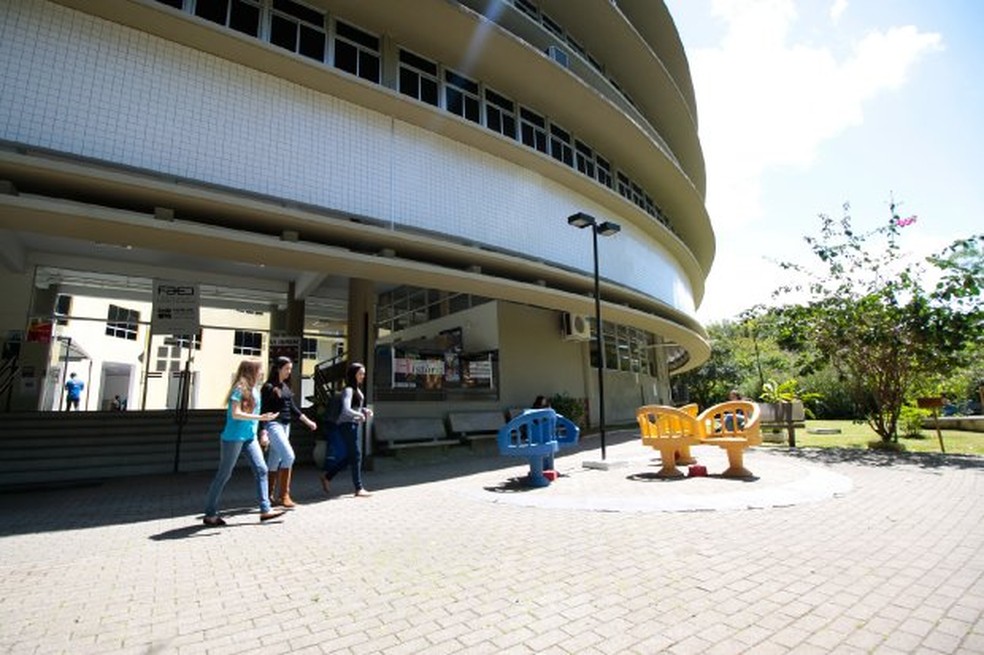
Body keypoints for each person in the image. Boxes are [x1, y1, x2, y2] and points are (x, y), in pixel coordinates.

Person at [202, 360, 285, 526]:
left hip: (249, 437)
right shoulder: (239, 389)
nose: (262, 373)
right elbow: (236, 413)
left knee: (262, 469)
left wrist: (262, 429)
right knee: (224, 475)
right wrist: (260, 418)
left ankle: (265, 510)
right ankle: (210, 514)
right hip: (233, 438)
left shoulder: (254, 390)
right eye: (260, 370)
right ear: (251, 370)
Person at [261, 356, 317, 509]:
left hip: (286, 426)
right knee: (289, 456)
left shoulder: (285, 387)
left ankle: (268, 496)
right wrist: (263, 432)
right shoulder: (268, 387)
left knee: (274, 460)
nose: (289, 372)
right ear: (278, 368)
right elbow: (263, 411)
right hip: (274, 425)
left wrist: (308, 422)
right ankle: (284, 495)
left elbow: (293, 408)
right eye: (287, 368)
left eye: (290, 369)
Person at [321, 362, 373, 498]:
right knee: (356, 455)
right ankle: (359, 488)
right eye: (360, 373)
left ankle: (327, 476)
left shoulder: (356, 389)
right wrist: (359, 414)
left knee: (352, 456)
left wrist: (364, 410)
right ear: (353, 374)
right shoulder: (348, 390)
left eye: (364, 373)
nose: (363, 376)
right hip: (346, 425)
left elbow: (354, 407)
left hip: (353, 424)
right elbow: (346, 410)